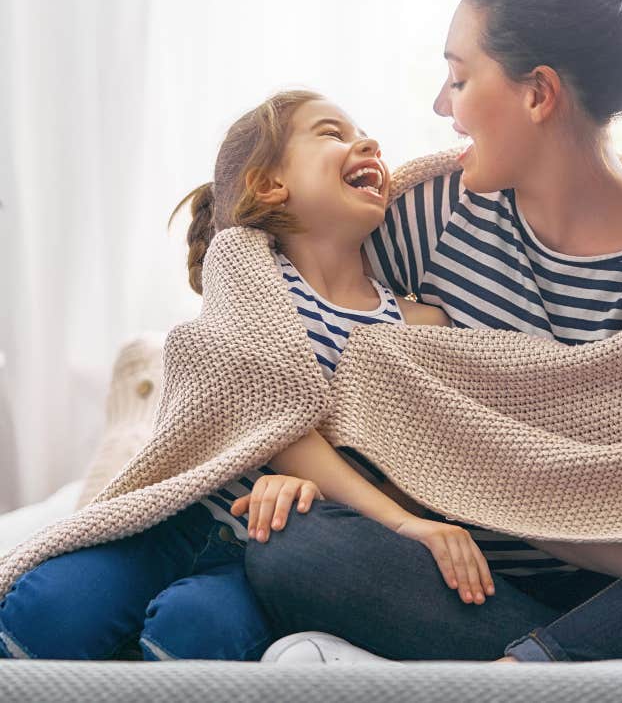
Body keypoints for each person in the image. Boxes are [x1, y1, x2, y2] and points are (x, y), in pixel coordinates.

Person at [242, 0, 622, 664]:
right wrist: (299, 468)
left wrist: (488, 474)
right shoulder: (433, 212)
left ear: (537, 94)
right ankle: (547, 668)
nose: (440, 105)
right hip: (458, 582)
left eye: (459, 78)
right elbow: (287, 331)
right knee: (294, 550)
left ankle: (526, 670)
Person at [0, 89, 503, 661]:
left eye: (361, 133)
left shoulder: (418, 323)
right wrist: (395, 520)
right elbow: (265, 407)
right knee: (48, 611)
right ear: (269, 185)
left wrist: (340, 504)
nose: (368, 143)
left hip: (264, 553)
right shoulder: (243, 268)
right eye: (332, 133)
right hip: (177, 523)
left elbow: (420, 459)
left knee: (194, 631)